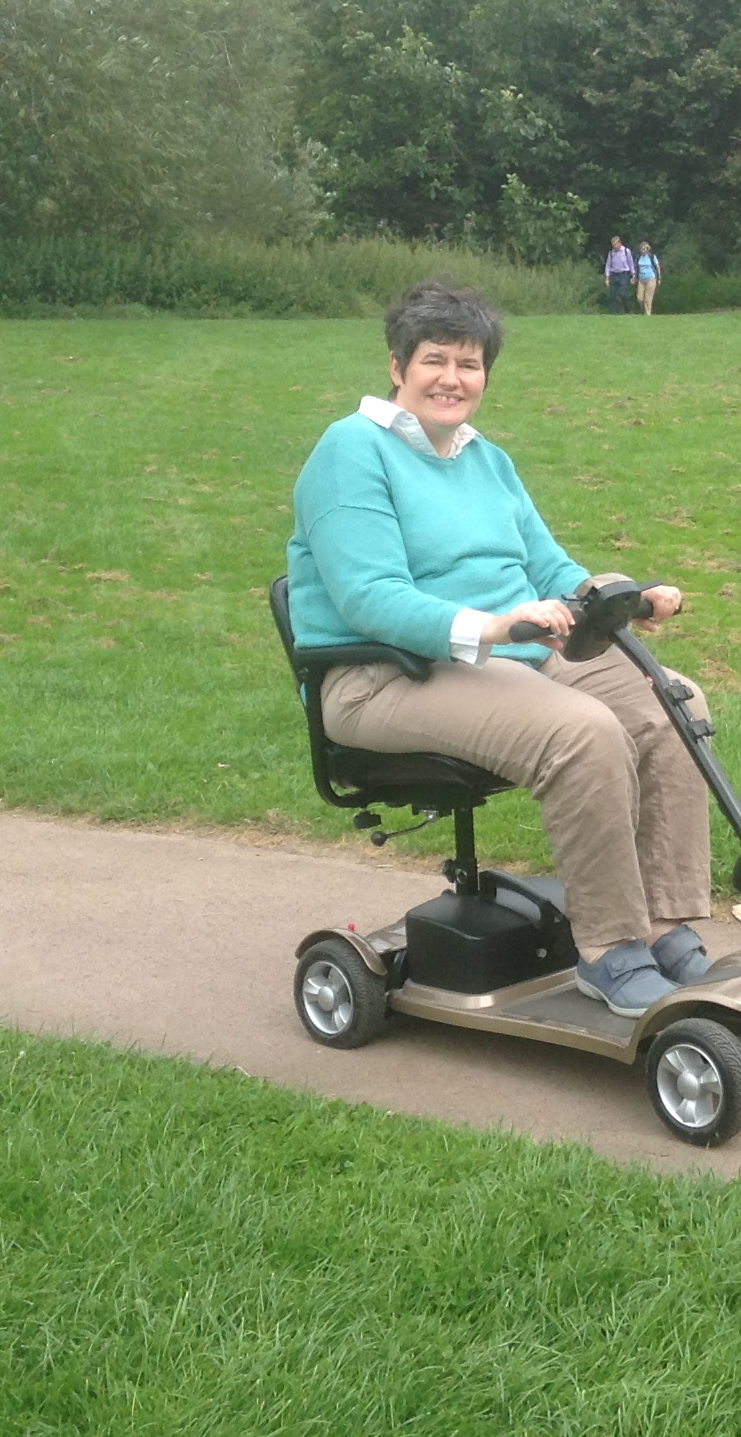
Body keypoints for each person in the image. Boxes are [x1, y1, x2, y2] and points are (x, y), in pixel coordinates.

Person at [285, 278, 715, 1016]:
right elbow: (367, 597)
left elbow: (549, 568)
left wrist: (621, 600)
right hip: (381, 675)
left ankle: (663, 921)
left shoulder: (487, 459)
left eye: (470, 363)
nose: (453, 378)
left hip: (507, 656)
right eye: (434, 360)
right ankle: (610, 951)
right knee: (580, 732)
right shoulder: (350, 450)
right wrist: (492, 626)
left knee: (671, 702)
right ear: (397, 367)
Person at [601, 236, 635, 314]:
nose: (614, 246)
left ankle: (628, 310)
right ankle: (614, 312)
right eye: (613, 245)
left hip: (624, 274)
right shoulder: (611, 253)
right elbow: (608, 265)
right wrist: (607, 278)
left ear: (619, 243)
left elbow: (631, 263)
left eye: (615, 244)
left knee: (623, 294)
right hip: (614, 274)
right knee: (613, 294)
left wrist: (633, 274)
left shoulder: (626, 251)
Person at [634, 241, 662, 316]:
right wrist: (634, 277)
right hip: (641, 279)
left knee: (648, 298)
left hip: (651, 278)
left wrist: (659, 278)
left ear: (648, 249)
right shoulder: (638, 258)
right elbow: (636, 268)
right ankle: (643, 310)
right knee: (639, 298)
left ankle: (648, 314)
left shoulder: (652, 257)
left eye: (645, 249)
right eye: (642, 249)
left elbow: (657, 267)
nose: (643, 250)